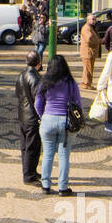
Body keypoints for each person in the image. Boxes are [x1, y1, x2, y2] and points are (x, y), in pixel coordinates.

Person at [34, 55, 82, 196]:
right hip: (65, 122)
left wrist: (42, 116)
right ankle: (62, 187)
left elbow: (37, 103)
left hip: (47, 120)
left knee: (47, 154)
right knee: (63, 155)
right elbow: (77, 103)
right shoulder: (71, 83)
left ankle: (46, 185)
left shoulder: (44, 82)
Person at [14, 51, 44, 184]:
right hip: (32, 117)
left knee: (25, 146)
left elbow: (18, 94)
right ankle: (29, 175)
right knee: (33, 147)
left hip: (22, 115)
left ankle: (29, 170)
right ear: (39, 62)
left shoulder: (21, 75)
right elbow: (39, 99)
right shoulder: (36, 78)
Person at [79, 13, 102, 88]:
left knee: (89, 68)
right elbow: (89, 39)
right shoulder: (86, 28)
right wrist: (98, 41)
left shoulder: (91, 27)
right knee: (87, 68)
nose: (94, 21)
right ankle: (86, 83)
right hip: (88, 51)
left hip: (90, 52)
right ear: (88, 20)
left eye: (95, 19)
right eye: (92, 19)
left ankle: (87, 83)